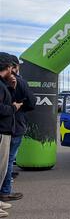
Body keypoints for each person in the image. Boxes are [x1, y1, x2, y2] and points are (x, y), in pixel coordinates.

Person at [0, 55, 36, 202]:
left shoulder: (10, 83)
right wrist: (16, 107)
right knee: (7, 161)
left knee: (6, 161)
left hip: (11, 124)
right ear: (13, 67)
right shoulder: (18, 81)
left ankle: (5, 190)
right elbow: (32, 102)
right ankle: (5, 191)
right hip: (13, 125)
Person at [0, 52, 22, 218]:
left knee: (2, 169)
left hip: (5, 131)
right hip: (1, 132)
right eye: (11, 67)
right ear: (7, 67)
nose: (12, 70)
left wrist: (12, 88)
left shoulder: (3, 84)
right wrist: (14, 107)